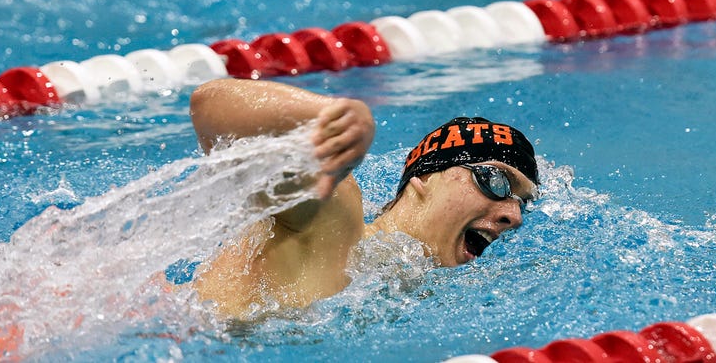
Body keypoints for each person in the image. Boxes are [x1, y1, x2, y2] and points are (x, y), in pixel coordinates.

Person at [188, 78, 540, 317]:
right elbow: (208, 107)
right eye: (495, 181)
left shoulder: (408, 288)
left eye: (523, 202)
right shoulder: (332, 219)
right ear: (423, 180)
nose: (515, 216)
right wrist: (328, 115)